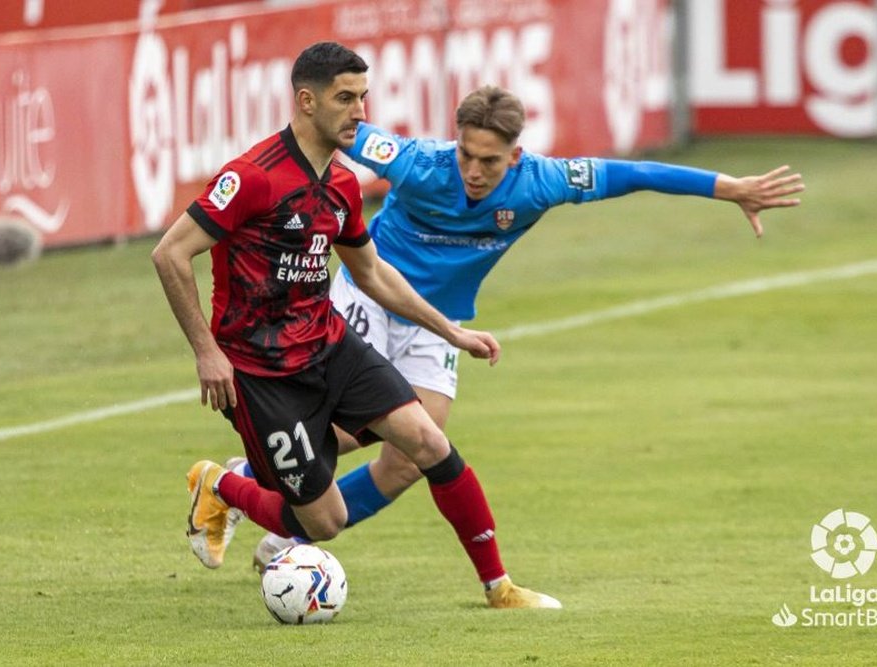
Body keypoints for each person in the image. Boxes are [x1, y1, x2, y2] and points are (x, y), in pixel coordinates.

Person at [244, 84, 805, 565]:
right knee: (341, 434)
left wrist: (729, 188)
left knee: (412, 459)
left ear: (515, 155)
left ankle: (280, 535)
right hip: (372, 295)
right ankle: (244, 478)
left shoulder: (544, 182)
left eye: (490, 160)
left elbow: (634, 173)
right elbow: (329, 127)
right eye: (466, 154)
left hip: (440, 323)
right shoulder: (415, 162)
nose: (473, 170)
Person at [151, 43, 560, 610]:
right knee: (324, 522)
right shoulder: (252, 178)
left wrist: (452, 332)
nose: (360, 112)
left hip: (329, 345)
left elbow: (372, 274)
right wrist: (206, 353)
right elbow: (170, 254)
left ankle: (499, 586)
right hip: (260, 372)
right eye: (345, 98)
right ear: (306, 100)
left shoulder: (342, 186)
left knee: (427, 442)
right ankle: (220, 483)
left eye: (363, 97)